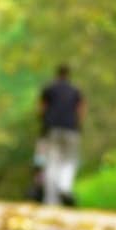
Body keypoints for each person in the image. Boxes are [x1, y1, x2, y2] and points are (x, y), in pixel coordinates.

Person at [38, 64, 84, 206]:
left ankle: (51, 200)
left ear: (56, 74)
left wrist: (42, 123)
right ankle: (65, 187)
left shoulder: (49, 89)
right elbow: (81, 110)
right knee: (70, 161)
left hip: (52, 129)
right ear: (68, 75)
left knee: (52, 163)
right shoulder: (76, 91)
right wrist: (79, 124)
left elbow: (41, 108)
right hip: (71, 129)